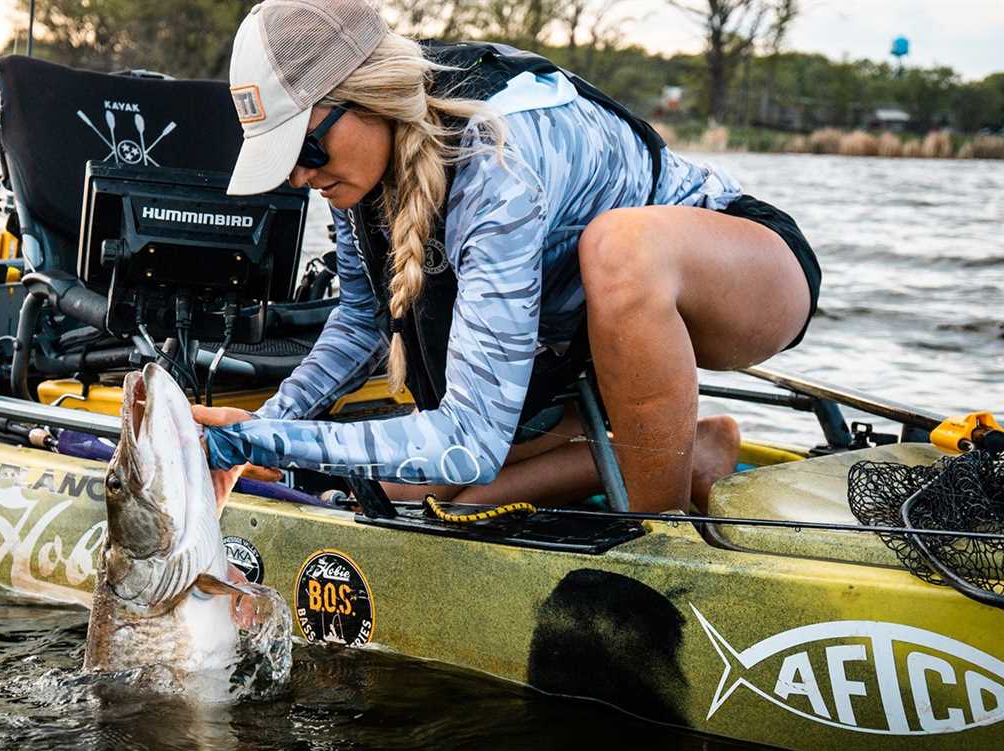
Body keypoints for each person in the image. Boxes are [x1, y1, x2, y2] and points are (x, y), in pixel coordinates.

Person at [194, 0, 821, 515]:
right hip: (584, 343)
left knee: (620, 249)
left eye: (306, 149)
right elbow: (361, 321)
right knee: (410, 495)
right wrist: (265, 428)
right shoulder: (356, 167)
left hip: (741, 272)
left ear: (369, 97)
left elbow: (468, 443)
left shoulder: (500, 154)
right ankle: (696, 454)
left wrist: (260, 439)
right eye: (285, 164)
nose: (300, 177)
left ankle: (658, 532)